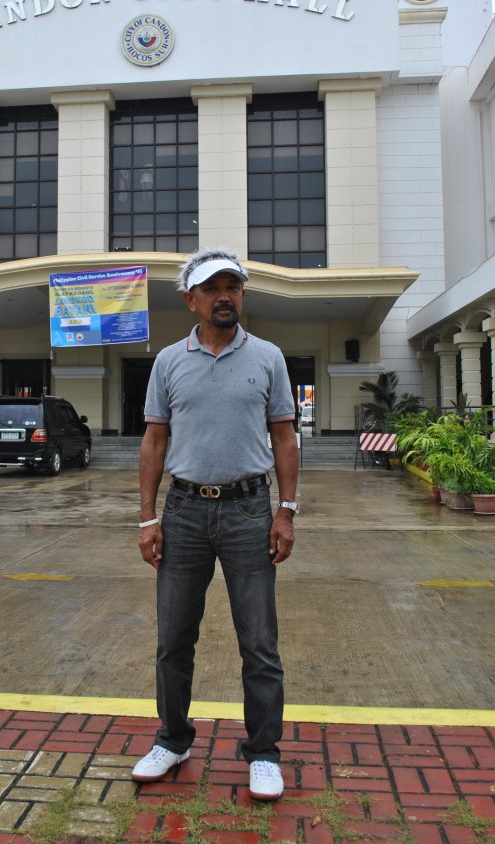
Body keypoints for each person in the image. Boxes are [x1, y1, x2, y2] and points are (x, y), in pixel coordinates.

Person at [132, 246, 299, 801]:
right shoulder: (168, 362)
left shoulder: (269, 357)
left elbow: (283, 436)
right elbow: (154, 440)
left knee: (259, 641)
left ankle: (263, 752)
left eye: (234, 286)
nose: (225, 296)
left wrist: (287, 510)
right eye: (213, 288)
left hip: (251, 510)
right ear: (191, 299)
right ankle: (173, 739)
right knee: (173, 639)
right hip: (182, 514)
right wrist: (147, 518)